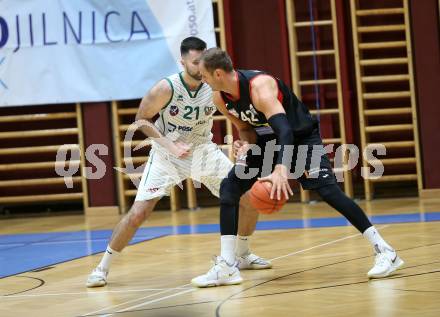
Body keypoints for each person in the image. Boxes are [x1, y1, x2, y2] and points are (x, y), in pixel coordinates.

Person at [191, 47, 404, 287]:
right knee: (229, 188)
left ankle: (385, 251)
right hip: (266, 142)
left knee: (328, 192)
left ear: (218, 73)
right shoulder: (220, 98)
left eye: (204, 76)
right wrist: (245, 146)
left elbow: (285, 130)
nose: (202, 80)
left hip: (300, 138)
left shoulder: (259, 87)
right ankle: (228, 266)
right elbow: (247, 129)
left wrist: (281, 168)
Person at [86, 38, 271, 288]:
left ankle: (243, 254)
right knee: (139, 213)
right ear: (182, 61)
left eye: (202, 61)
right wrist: (169, 145)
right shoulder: (166, 88)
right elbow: (141, 120)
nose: (199, 67)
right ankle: (102, 268)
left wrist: (243, 143)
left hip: (203, 150)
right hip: (167, 155)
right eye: (195, 62)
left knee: (250, 198)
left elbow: (240, 122)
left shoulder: (214, 87)